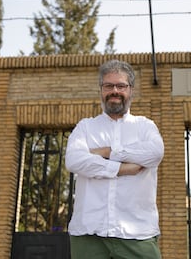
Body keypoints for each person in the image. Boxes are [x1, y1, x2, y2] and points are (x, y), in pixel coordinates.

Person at [65, 59, 165, 259]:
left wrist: (108, 152)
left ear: (131, 90)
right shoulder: (85, 127)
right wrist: (122, 169)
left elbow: (155, 153)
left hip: (137, 234)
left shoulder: (145, 126)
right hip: (88, 233)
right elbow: (74, 160)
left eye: (121, 86)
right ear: (101, 90)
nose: (115, 91)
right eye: (108, 85)